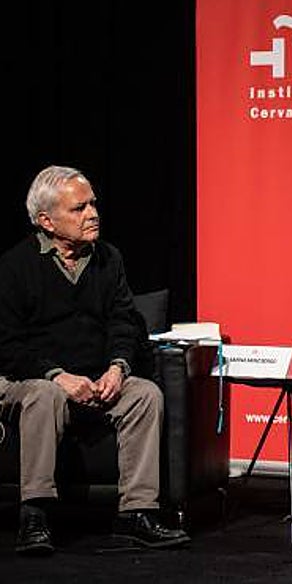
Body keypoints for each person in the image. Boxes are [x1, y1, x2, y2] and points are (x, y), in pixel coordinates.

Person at [0, 165, 189, 555]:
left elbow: (125, 322)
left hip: (94, 375)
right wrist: (57, 376)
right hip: (28, 377)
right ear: (46, 221)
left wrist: (118, 368)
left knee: (144, 394)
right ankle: (34, 514)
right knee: (43, 395)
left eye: (93, 204)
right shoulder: (15, 266)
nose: (92, 214)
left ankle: (137, 513)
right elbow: (8, 344)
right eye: (79, 208)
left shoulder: (108, 259)